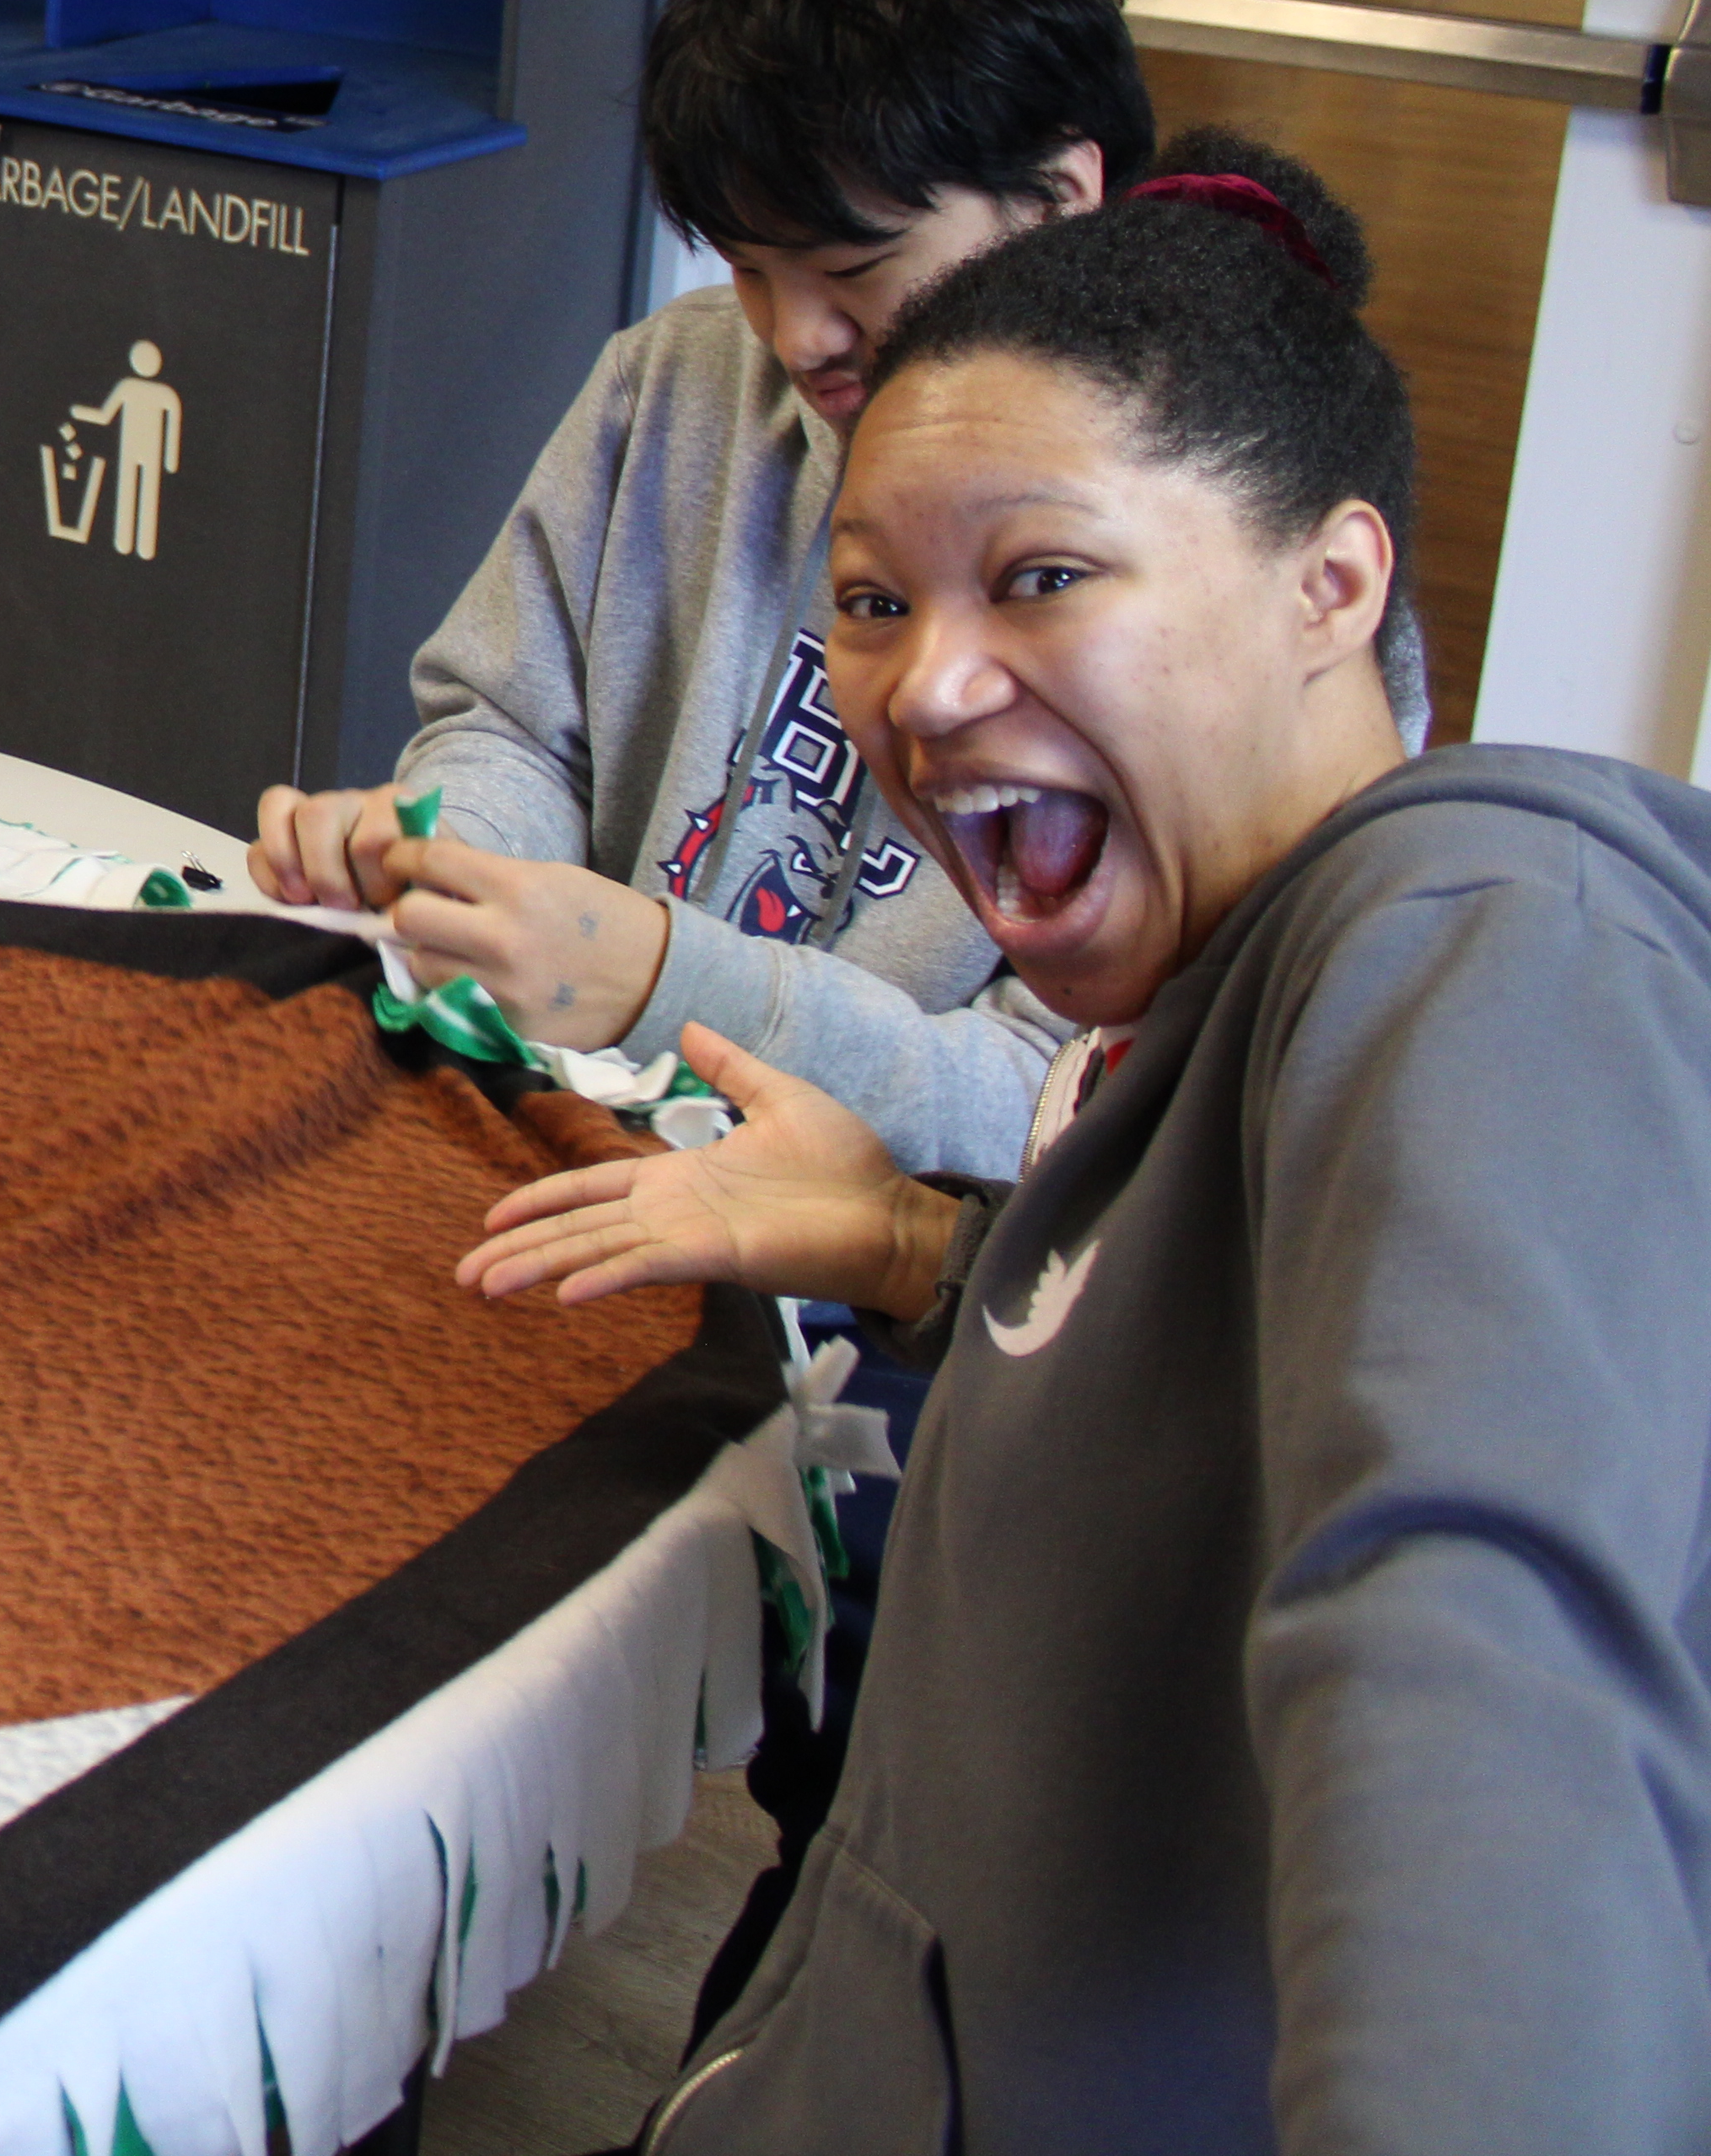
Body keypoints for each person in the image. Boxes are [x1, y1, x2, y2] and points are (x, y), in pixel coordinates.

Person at [463, 139, 1711, 2151]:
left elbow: (1472, 1660)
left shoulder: (1486, 943)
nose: (928, 683)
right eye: (873, 600)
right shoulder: (1216, 1008)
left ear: (1335, 584)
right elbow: (1235, 1370)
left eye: (1043, 575)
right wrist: (917, 1246)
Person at [251, 0, 1153, 1182]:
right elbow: (511, 725)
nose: (799, 336)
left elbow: (1057, 1105)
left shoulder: (1206, 556)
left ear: (1059, 204)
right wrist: (452, 868)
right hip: (563, 1131)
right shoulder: (677, 379)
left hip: (896, 1291)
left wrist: (660, 981)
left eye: (856, 272)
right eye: (748, 271)